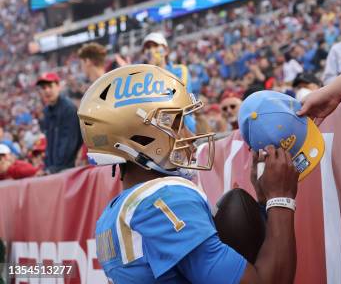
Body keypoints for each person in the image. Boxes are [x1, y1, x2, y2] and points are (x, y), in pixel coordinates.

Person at [79, 65, 299, 284]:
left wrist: (263, 205)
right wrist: (281, 198)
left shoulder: (111, 214)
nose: (192, 136)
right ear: (142, 137)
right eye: (180, 124)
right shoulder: (165, 198)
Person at [142, 32, 197, 132]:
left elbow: (179, 97)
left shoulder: (180, 70)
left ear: (166, 51)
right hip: (156, 132)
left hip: (183, 129)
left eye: (155, 46)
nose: (151, 50)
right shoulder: (142, 78)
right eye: (148, 47)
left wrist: (154, 70)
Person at [37, 73, 82, 173]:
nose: (47, 90)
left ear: (58, 86)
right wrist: (48, 167)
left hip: (66, 170)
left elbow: (69, 143)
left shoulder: (68, 109)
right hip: (54, 169)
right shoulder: (46, 111)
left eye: (50, 86)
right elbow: (49, 143)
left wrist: (55, 169)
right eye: (44, 88)